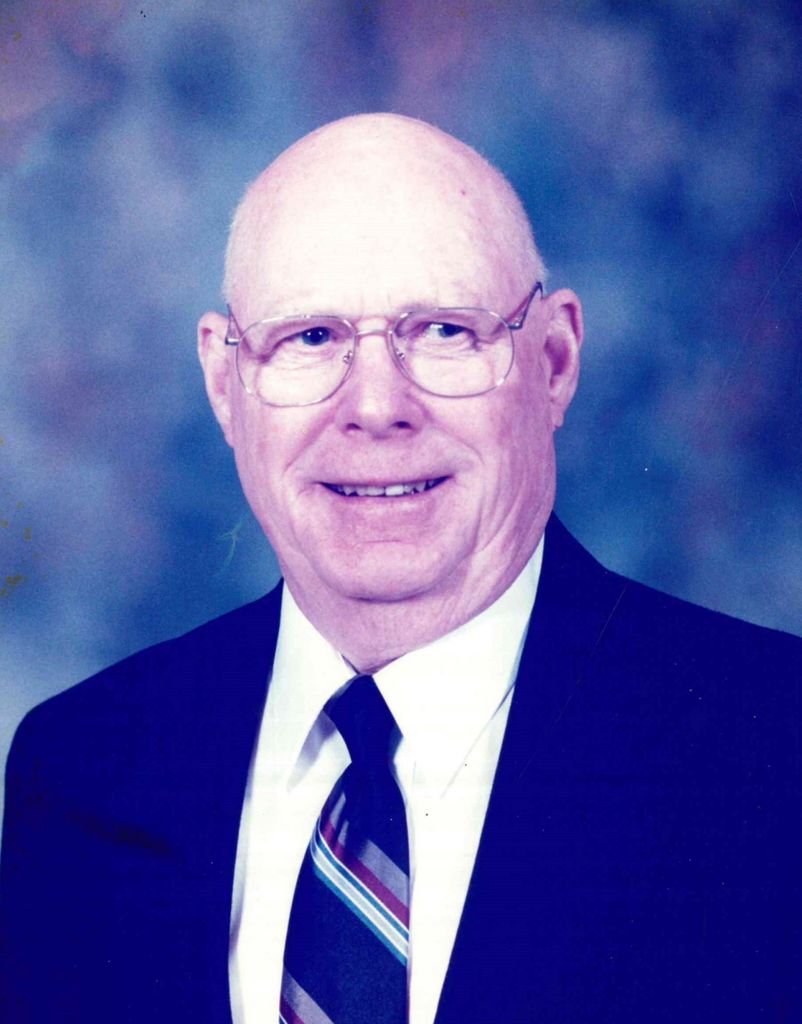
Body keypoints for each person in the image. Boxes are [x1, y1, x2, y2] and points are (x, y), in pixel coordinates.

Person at [1, 113, 800, 1024]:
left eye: (445, 331)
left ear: (553, 362)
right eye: (310, 338)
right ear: (226, 385)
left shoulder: (772, 750)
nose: (377, 407)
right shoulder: (83, 766)